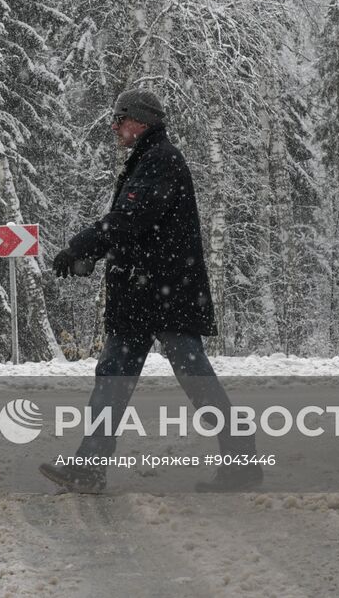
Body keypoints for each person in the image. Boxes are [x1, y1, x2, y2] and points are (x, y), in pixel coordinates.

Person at [43, 89, 261, 493]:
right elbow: (136, 226)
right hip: (144, 295)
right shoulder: (148, 159)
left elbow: (130, 218)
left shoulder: (160, 160)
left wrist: (82, 245)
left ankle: (243, 462)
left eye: (120, 118)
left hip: (164, 295)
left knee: (194, 378)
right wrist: (99, 253)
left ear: (140, 122)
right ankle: (89, 468)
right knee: (113, 378)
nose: (114, 126)